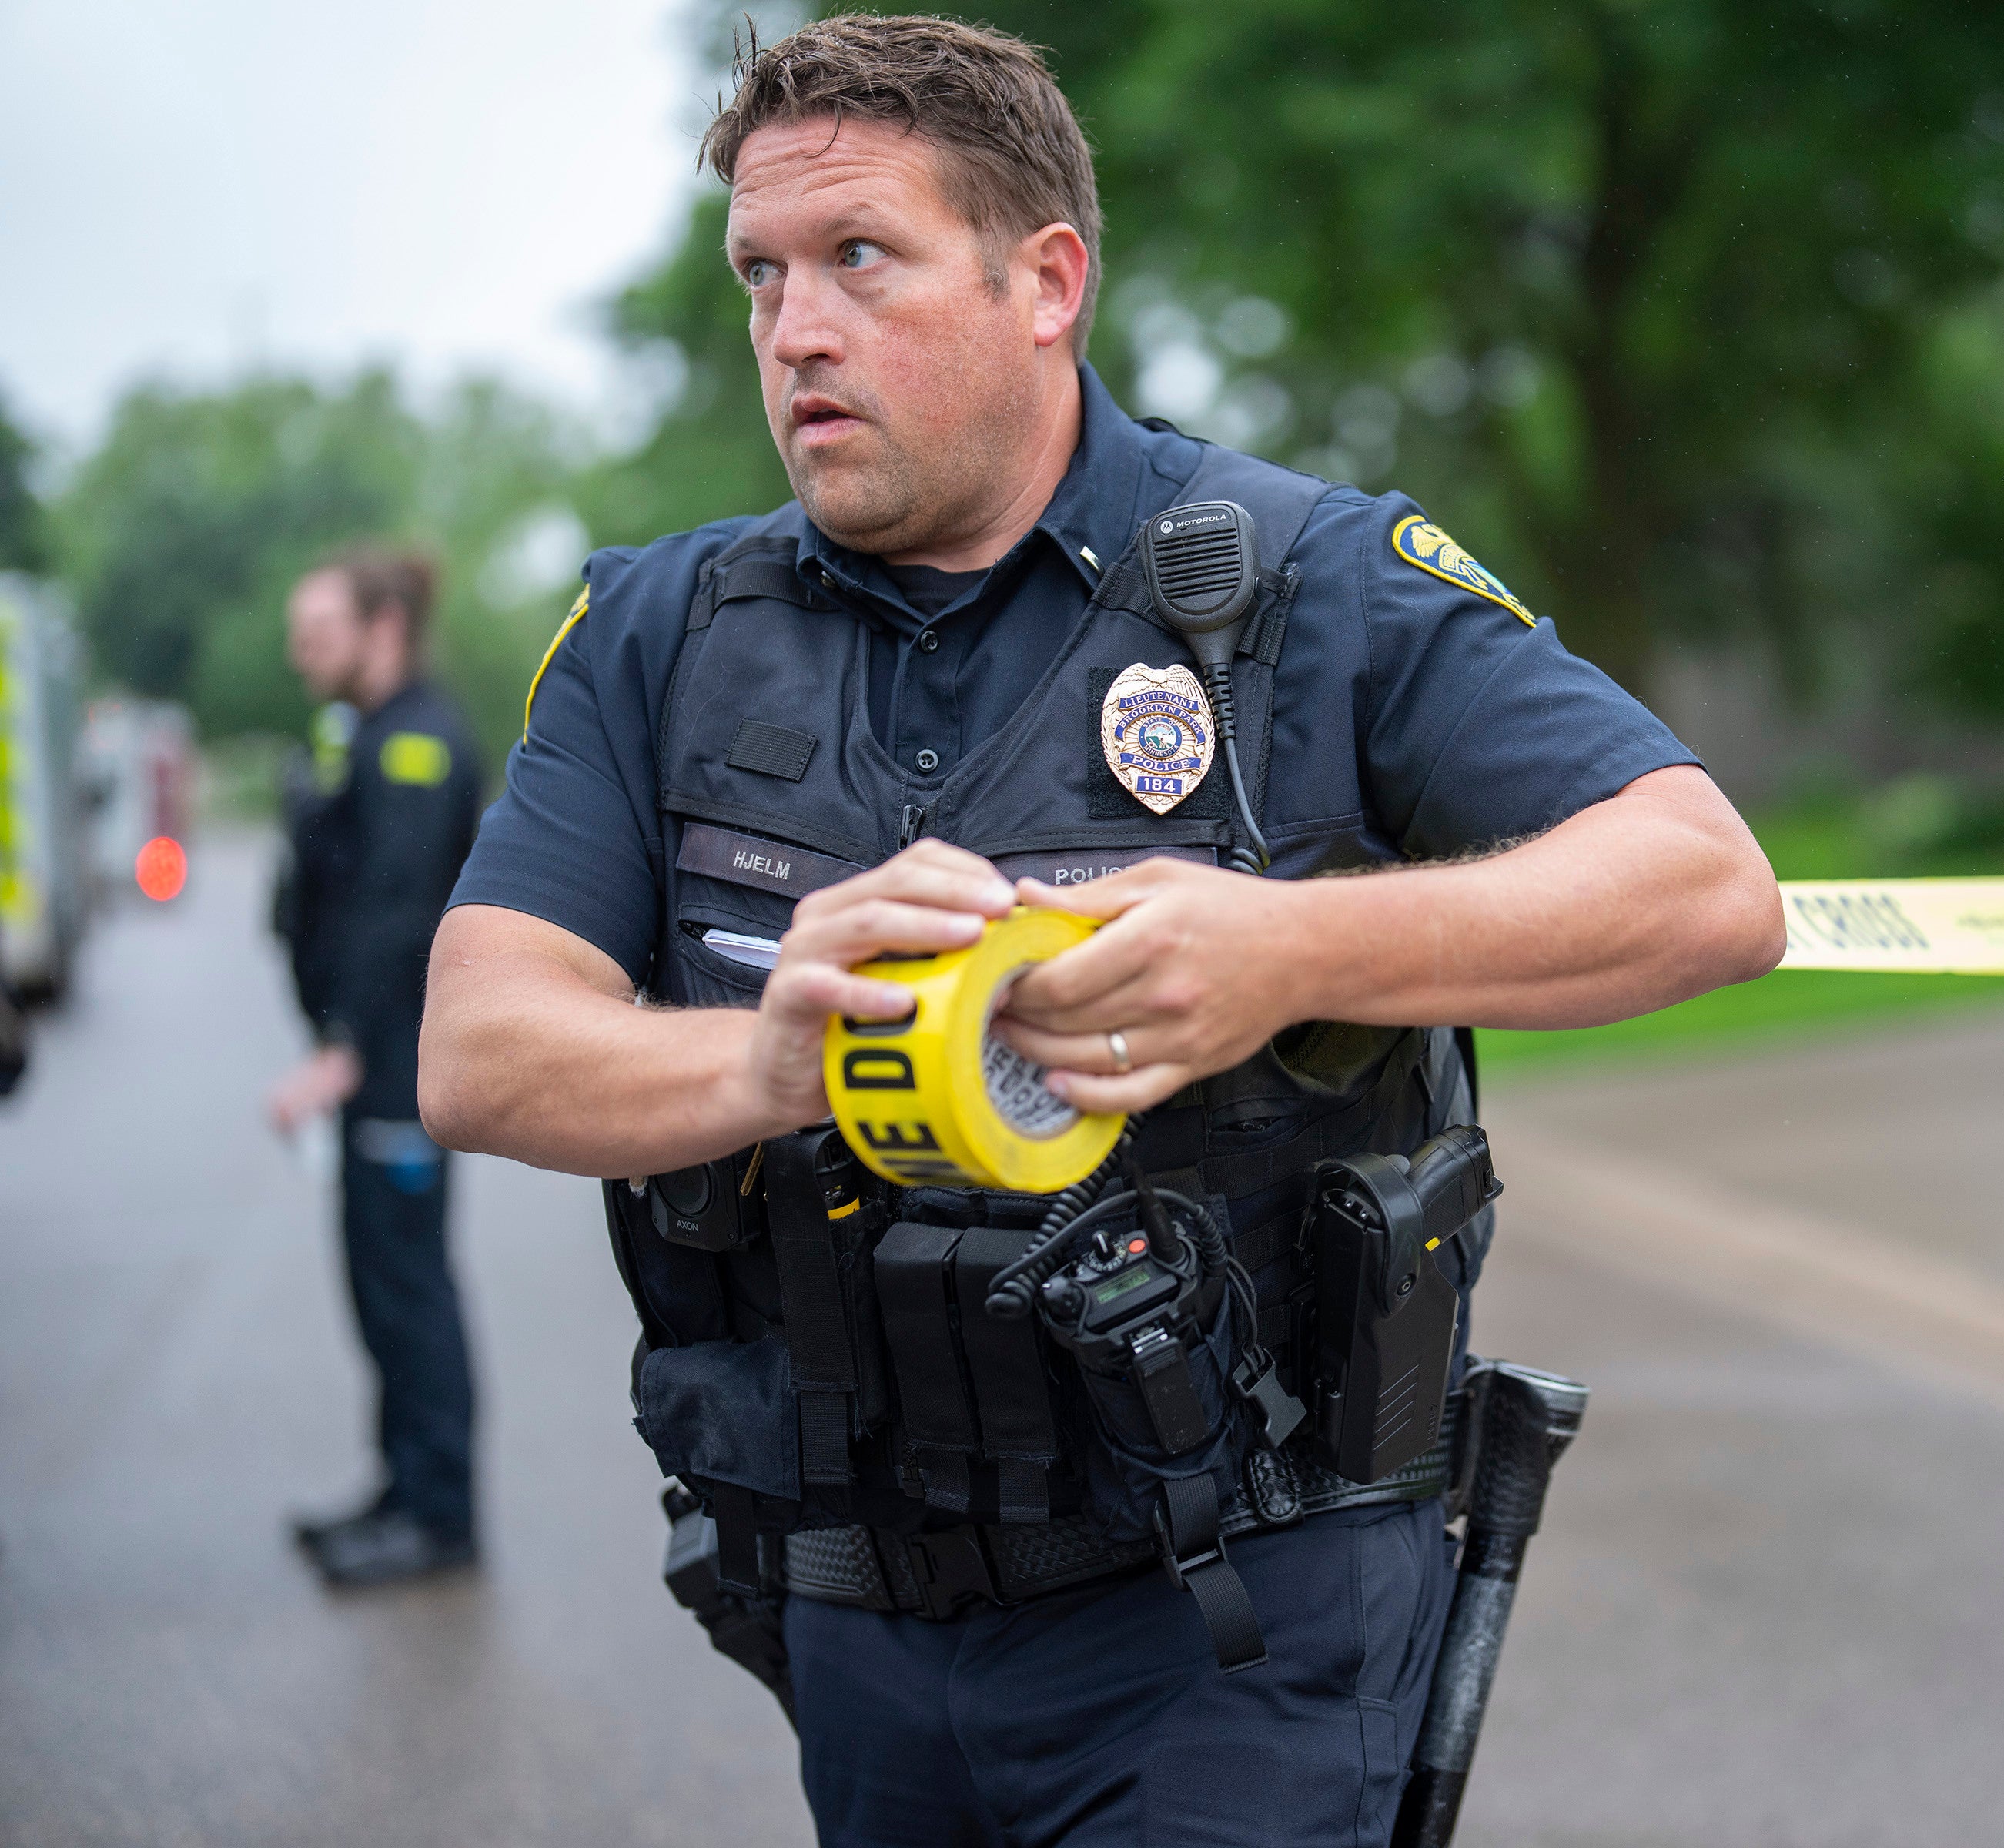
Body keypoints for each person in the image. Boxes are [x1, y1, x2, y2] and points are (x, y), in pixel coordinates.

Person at [420, 15, 1782, 1844]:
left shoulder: (1311, 585)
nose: (795, 329)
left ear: (1047, 282)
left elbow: (1705, 884)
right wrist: (769, 1060)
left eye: (859, 258)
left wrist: (1290, 953)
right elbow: (478, 1050)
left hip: (1242, 1622)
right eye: (762, 274)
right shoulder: (658, 638)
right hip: (852, 1616)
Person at [270, 547, 485, 1587]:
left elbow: (400, 913)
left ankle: (440, 1518)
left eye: (319, 632)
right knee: (377, 1283)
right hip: (371, 1061)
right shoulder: (363, 733)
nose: (299, 653)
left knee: (408, 1290)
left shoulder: (418, 746)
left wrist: (345, 1047)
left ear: (383, 627)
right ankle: (401, 1489)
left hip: (397, 1065)